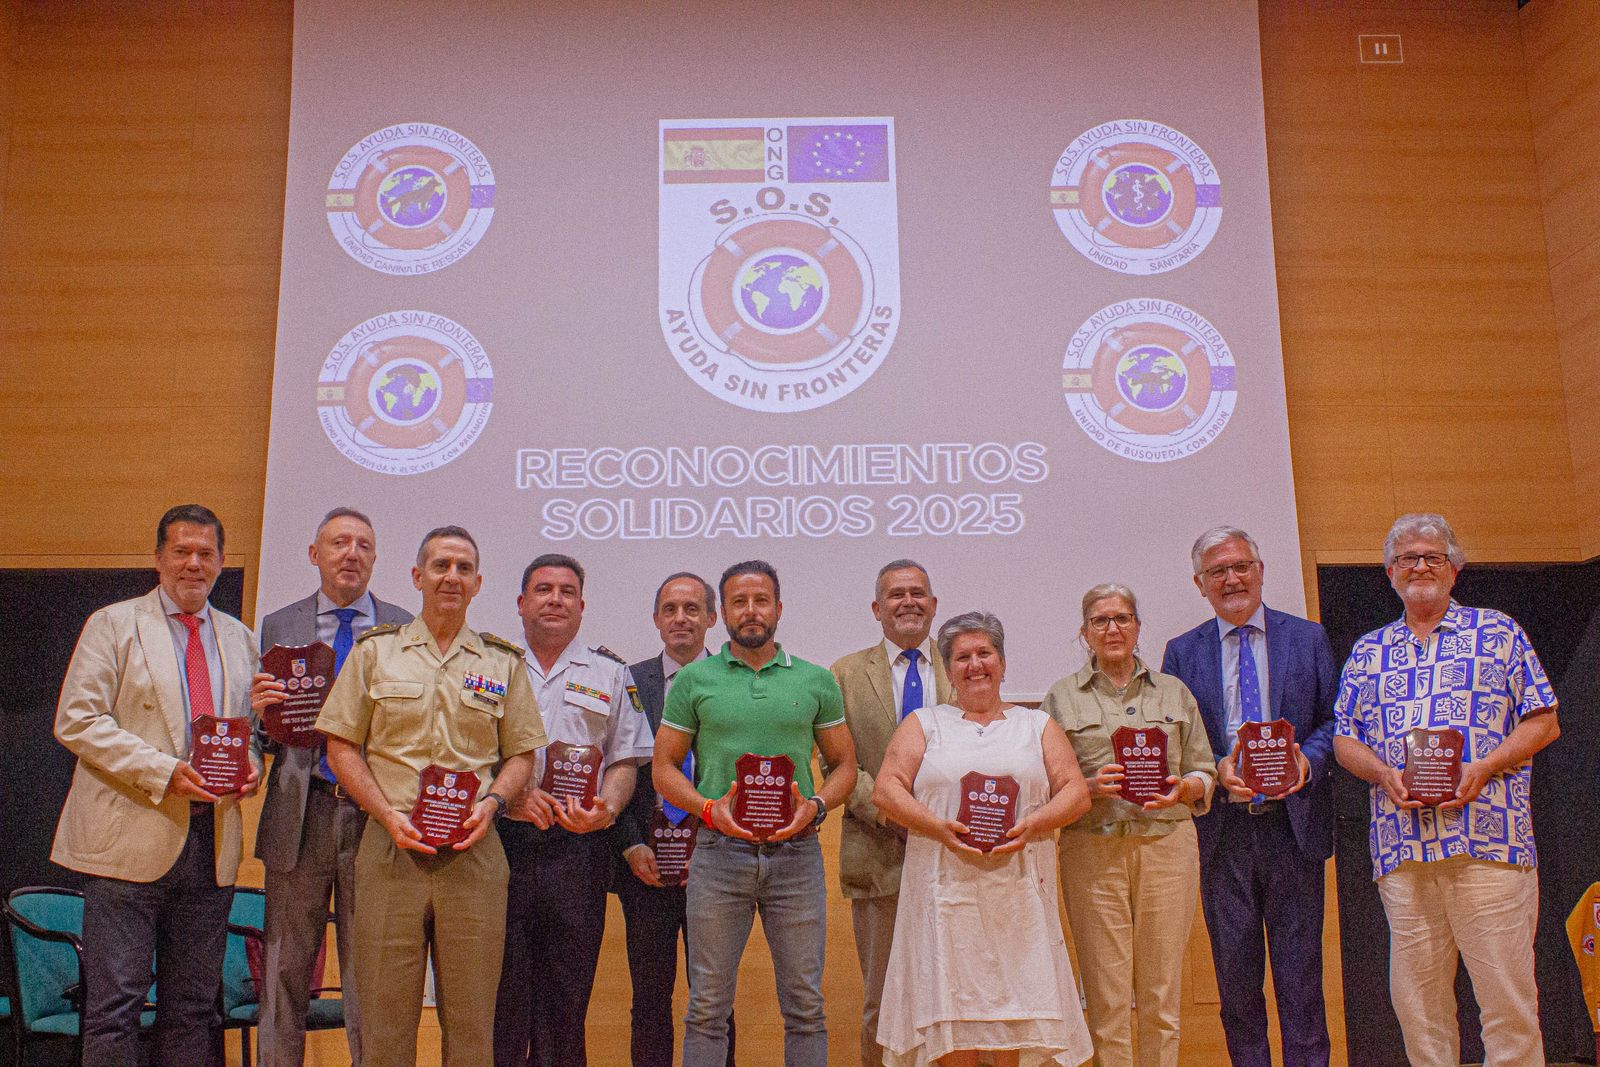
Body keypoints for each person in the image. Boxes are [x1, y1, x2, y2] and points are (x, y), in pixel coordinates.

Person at [1333, 513, 1560, 1067]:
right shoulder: (1368, 650)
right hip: (1403, 852)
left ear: (1454, 569)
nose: (1420, 566)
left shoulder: (1498, 631)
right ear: (1389, 572)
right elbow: (1345, 739)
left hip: (1489, 845)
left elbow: (1544, 721)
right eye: (1407, 558)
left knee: (1506, 1002)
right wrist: (1383, 774)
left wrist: (1483, 766)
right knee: (1418, 1007)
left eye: (1433, 556)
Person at [314, 525, 545, 1066]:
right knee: (384, 1025)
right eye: (441, 566)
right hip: (390, 848)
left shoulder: (502, 662)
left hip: (475, 852)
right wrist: (384, 813)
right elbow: (341, 746)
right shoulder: (376, 654)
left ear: (478, 583)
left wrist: (492, 804)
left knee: (470, 1029)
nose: (452, 577)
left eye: (464, 568)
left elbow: (522, 755)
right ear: (417, 576)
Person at [51, 504, 262, 1065]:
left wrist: (253, 766)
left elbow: (247, 734)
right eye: (181, 551)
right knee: (114, 1007)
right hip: (129, 842)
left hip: (211, 846)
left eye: (206, 553)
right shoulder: (113, 624)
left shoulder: (240, 639)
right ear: (158, 558)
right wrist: (165, 771)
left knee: (193, 1009)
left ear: (220, 562)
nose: (194, 563)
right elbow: (77, 719)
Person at [652, 559, 858, 1067]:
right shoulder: (693, 680)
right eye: (739, 602)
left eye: (761, 600)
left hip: (797, 858)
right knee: (706, 1008)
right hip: (719, 857)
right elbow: (663, 769)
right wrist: (706, 808)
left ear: (778, 608)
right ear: (722, 613)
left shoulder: (815, 680)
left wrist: (814, 806)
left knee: (806, 1006)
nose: (751, 611)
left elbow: (846, 767)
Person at [872, 611, 1095, 1067]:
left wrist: (1035, 823)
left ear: (1003, 662)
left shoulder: (1036, 725)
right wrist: (937, 826)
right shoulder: (924, 722)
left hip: (1018, 902)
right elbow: (887, 788)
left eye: (984, 653)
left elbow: (1075, 791)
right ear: (947, 668)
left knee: (1013, 1014)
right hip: (942, 900)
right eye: (962, 657)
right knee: (954, 1027)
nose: (975, 665)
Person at [1160, 526, 1336, 1067]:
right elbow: (1176, 738)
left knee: (1301, 982)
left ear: (1260, 571)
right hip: (1224, 836)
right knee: (1236, 989)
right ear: (1200, 584)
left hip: (1293, 828)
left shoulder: (1307, 638)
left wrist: (1306, 760)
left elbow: (1335, 721)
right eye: (1218, 572)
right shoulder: (1182, 652)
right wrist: (1216, 767)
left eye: (1241, 566)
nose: (1231, 578)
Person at [250, 506, 412, 1067]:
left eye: (364, 545)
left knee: (371, 975)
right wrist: (261, 719)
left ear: (375, 559)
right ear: (314, 555)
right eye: (339, 543)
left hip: (376, 815)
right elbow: (265, 732)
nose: (352, 554)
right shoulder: (278, 624)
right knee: (284, 972)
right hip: (301, 810)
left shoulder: (402, 624)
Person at [1043, 583, 1216, 1067]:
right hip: (1092, 853)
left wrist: (1185, 788)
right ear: (1085, 633)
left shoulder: (1175, 693)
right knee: (1105, 997)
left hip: (1167, 848)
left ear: (1138, 627)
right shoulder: (1059, 698)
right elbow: (1043, 784)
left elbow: (1207, 770)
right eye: (1100, 621)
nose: (1112, 629)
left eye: (1122, 618)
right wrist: (1087, 787)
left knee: (1162, 995)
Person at [494, 553, 654, 1067]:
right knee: (502, 995)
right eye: (543, 590)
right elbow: (468, 753)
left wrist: (607, 808)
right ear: (521, 603)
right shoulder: (491, 666)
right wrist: (510, 797)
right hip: (501, 845)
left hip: (578, 851)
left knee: (566, 1000)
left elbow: (624, 759)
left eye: (566, 592)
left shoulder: (610, 673)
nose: (555, 600)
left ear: (582, 607)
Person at [828, 559, 952, 1067]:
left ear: (934, 605)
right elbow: (837, 762)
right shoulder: (845, 673)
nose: (908, 602)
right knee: (883, 1001)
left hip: (956, 854)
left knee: (958, 999)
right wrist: (889, 809)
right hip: (879, 852)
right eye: (896, 595)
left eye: (918, 593)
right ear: (877, 609)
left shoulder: (964, 664)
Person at [613, 571, 736, 1066]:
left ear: (711, 618)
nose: (680, 618)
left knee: (715, 1003)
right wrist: (628, 843)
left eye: (692, 609)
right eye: (670, 609)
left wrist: (718, 841)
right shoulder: (629, 680)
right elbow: (615, 765)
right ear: (656, 620)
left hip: (719, 863)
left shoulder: (735, 679)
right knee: (648, 1001)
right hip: (644, 865)